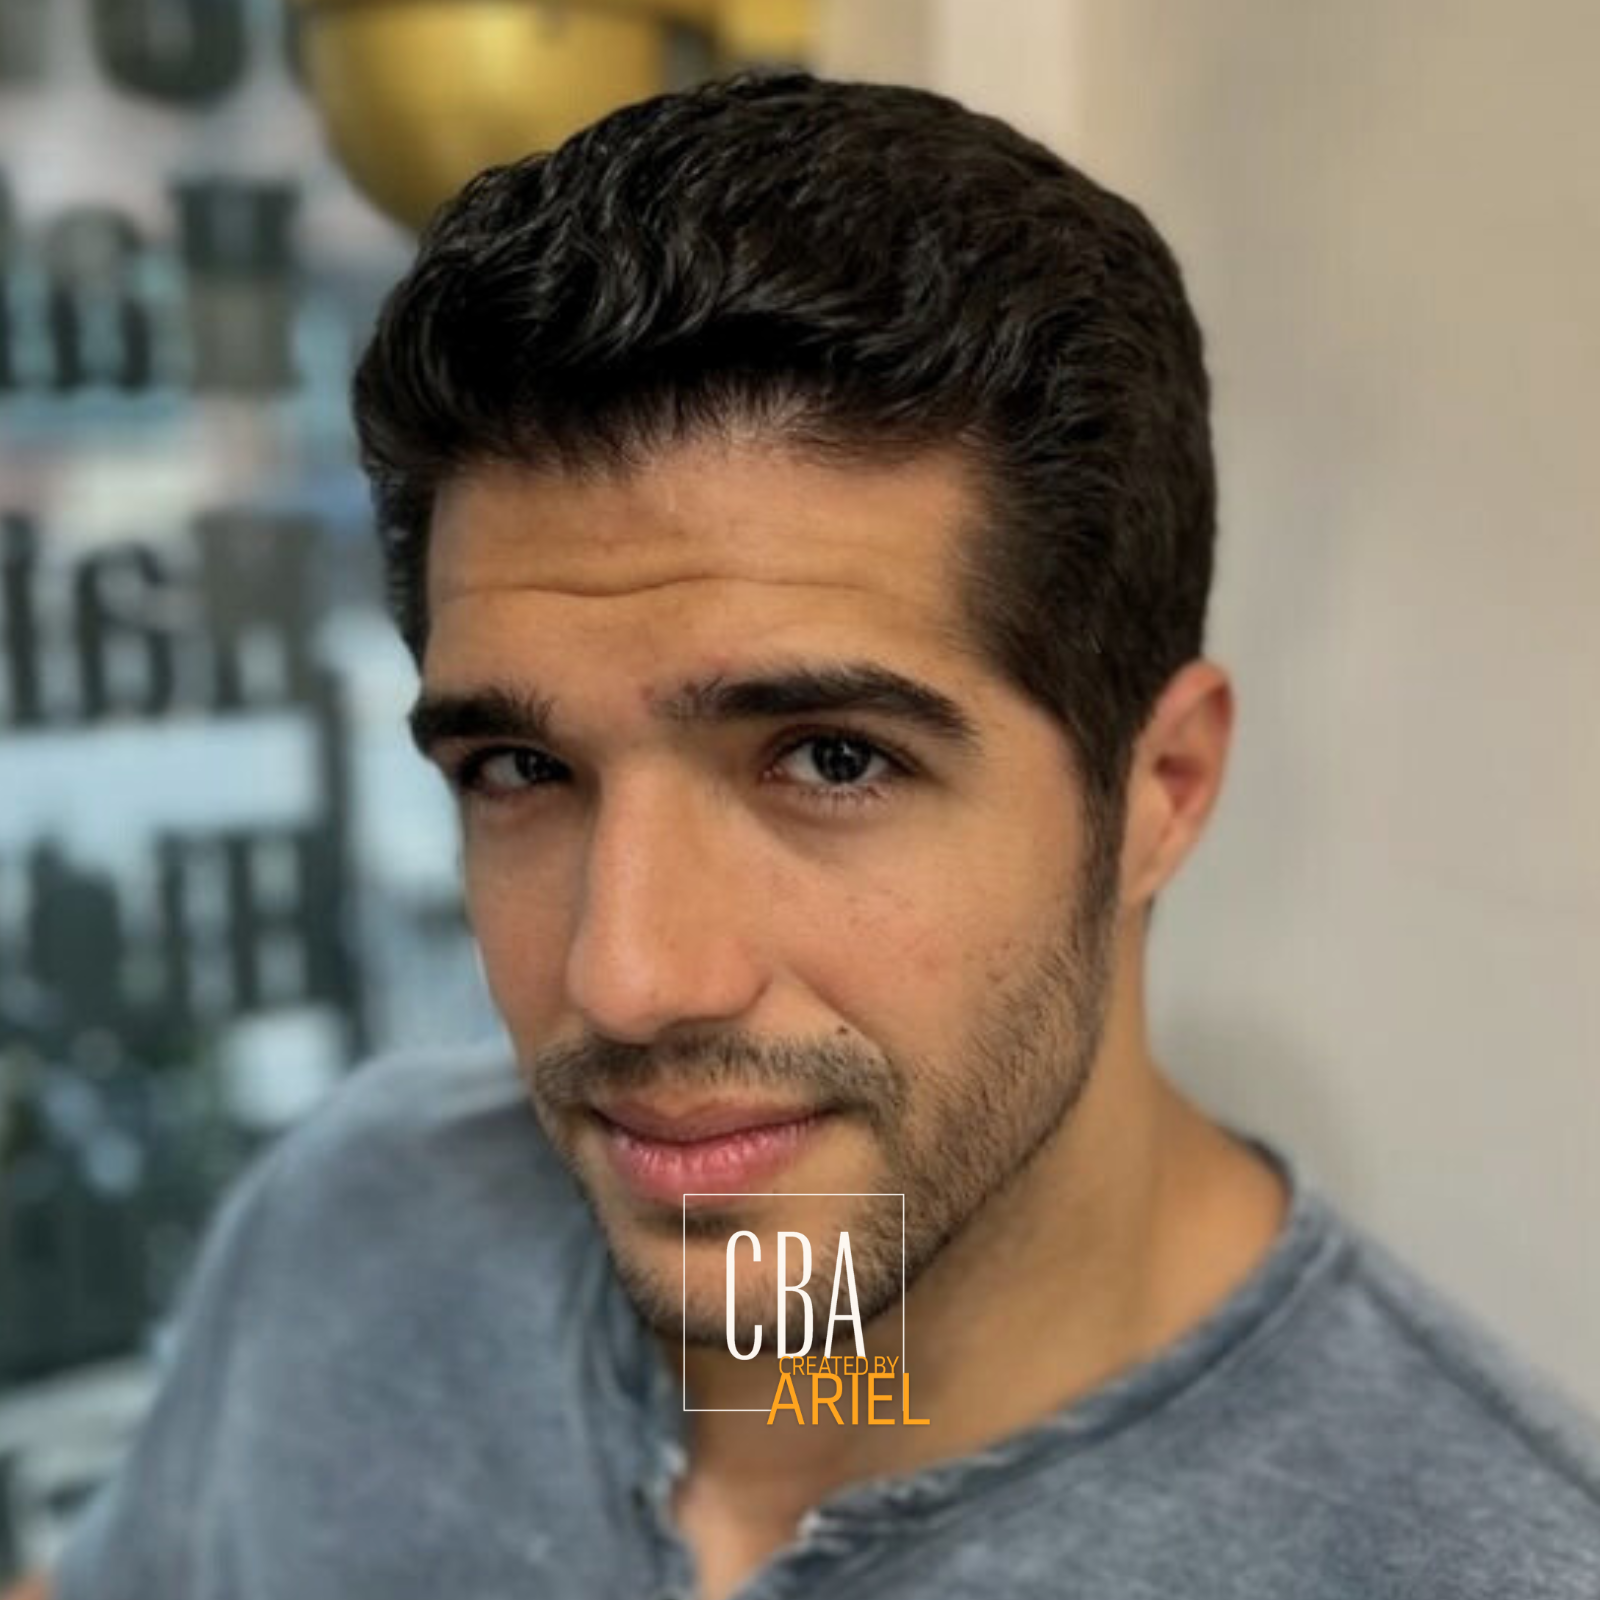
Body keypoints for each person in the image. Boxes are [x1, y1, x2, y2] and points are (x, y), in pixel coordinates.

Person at [22, 72, 1600, 1600]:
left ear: (1162, 789)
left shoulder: (1485, 1561)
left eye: (831, 758)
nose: (630, 977)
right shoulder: (360, 1227)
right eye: (518, 766)